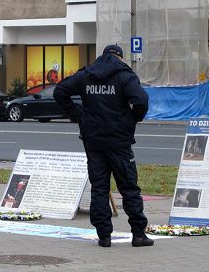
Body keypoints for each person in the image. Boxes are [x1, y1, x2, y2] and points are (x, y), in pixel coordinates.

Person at [53, 44, 153, 248]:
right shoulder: (125, 75)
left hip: (93, 140)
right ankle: (138, 234)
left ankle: (104, 235)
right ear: (120, 58)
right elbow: (141, 100)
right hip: (119, 140)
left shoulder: (85, 75)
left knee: (99, 187)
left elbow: (60, 91)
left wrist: (77, 115)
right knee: (129, 187)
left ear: (103, 55)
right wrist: (132, 119)